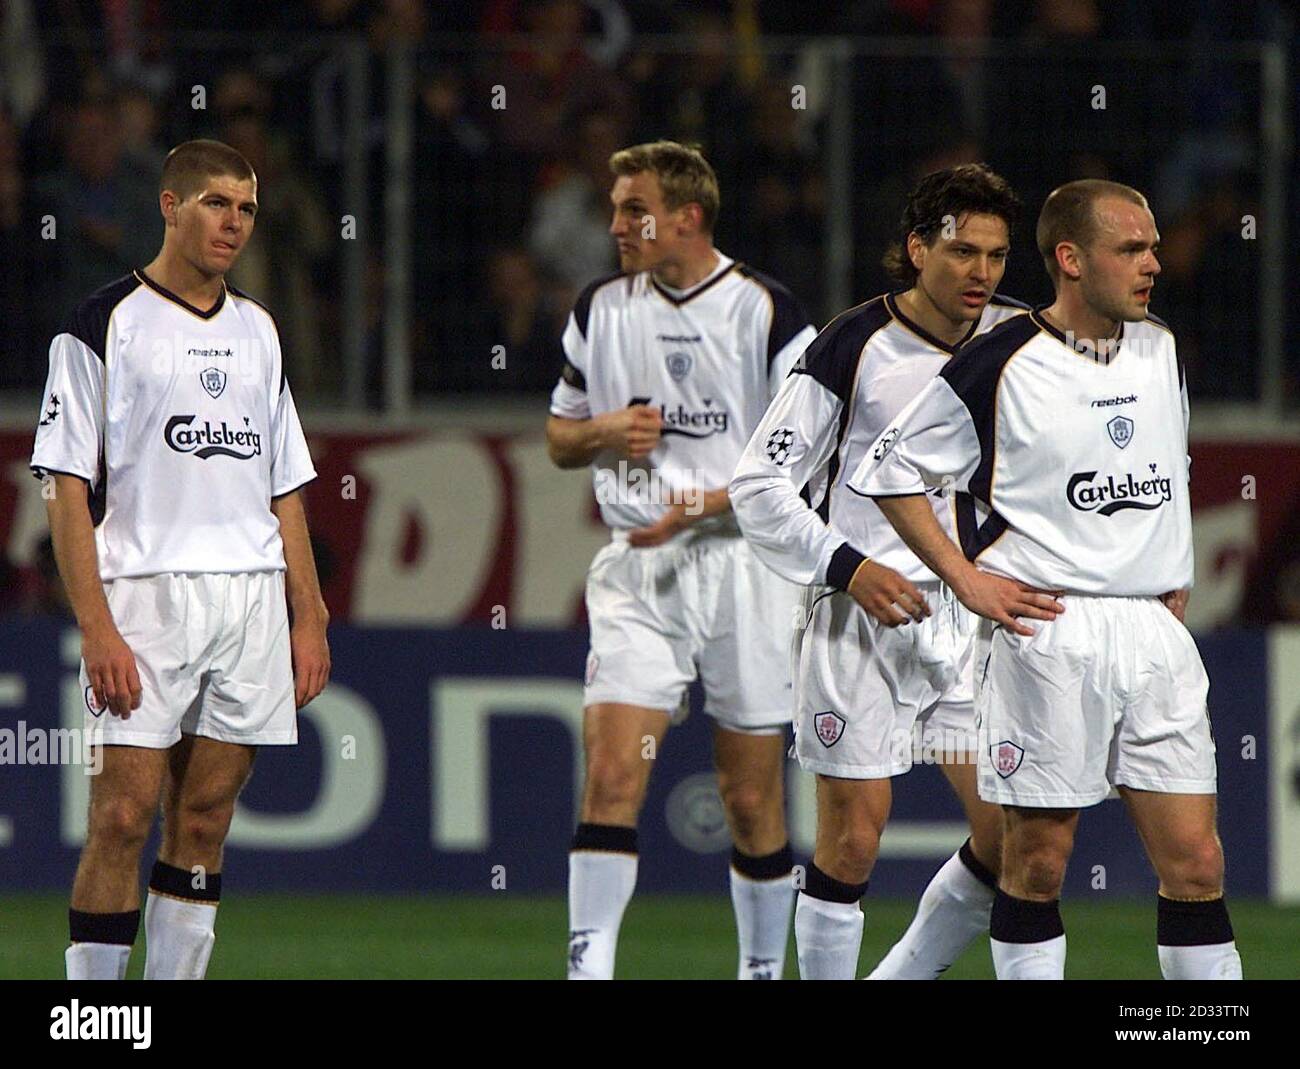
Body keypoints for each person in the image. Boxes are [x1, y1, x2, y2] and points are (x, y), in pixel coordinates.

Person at [852, 179, 1241, 980]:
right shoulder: (1000, 362)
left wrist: (1171, 567)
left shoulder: (1160, 345)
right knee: (1036, 861)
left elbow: (1170, 460)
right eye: (1131, 249)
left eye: (1154, 247)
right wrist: (963, 578)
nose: (1154, 264)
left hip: (1152, 635)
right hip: (1048, 632)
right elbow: (887, 471)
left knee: (1198, 861)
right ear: (1071, 259)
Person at [31, 139, 330, 981]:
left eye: (245, 208)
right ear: (171, 205)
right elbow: (64, 491)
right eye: (215, 203)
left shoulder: (259, 330)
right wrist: (96, 627)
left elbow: (286, 488)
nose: (233, 223)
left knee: (203, 820)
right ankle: (96, 1021)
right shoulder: (102, 323)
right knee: (123, 815)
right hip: (144, 599)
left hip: (248, 603)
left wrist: (308, 612)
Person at [731, 163, 1028, 980]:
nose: (981, 273)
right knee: (854, 839)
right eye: (963, 251)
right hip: (859, 614)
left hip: (971, 619)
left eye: (997, 256)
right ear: (916, 248)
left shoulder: (1021, 343)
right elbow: (756, 484)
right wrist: (848, 564)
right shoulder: (851, 345)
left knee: (1013, 834)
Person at [547, 140, 816, 980]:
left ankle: (761, 969)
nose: (618, 224)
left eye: (635, 209)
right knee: (614, 774)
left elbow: (809, 460)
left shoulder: (767, 312)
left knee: (750, 795)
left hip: (748, 567)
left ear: (689, 217)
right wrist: (602, 432)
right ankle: (587, 968)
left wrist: (705, 503)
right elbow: (560, 436)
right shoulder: (600, 308)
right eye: (618, 207)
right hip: (639, 567)